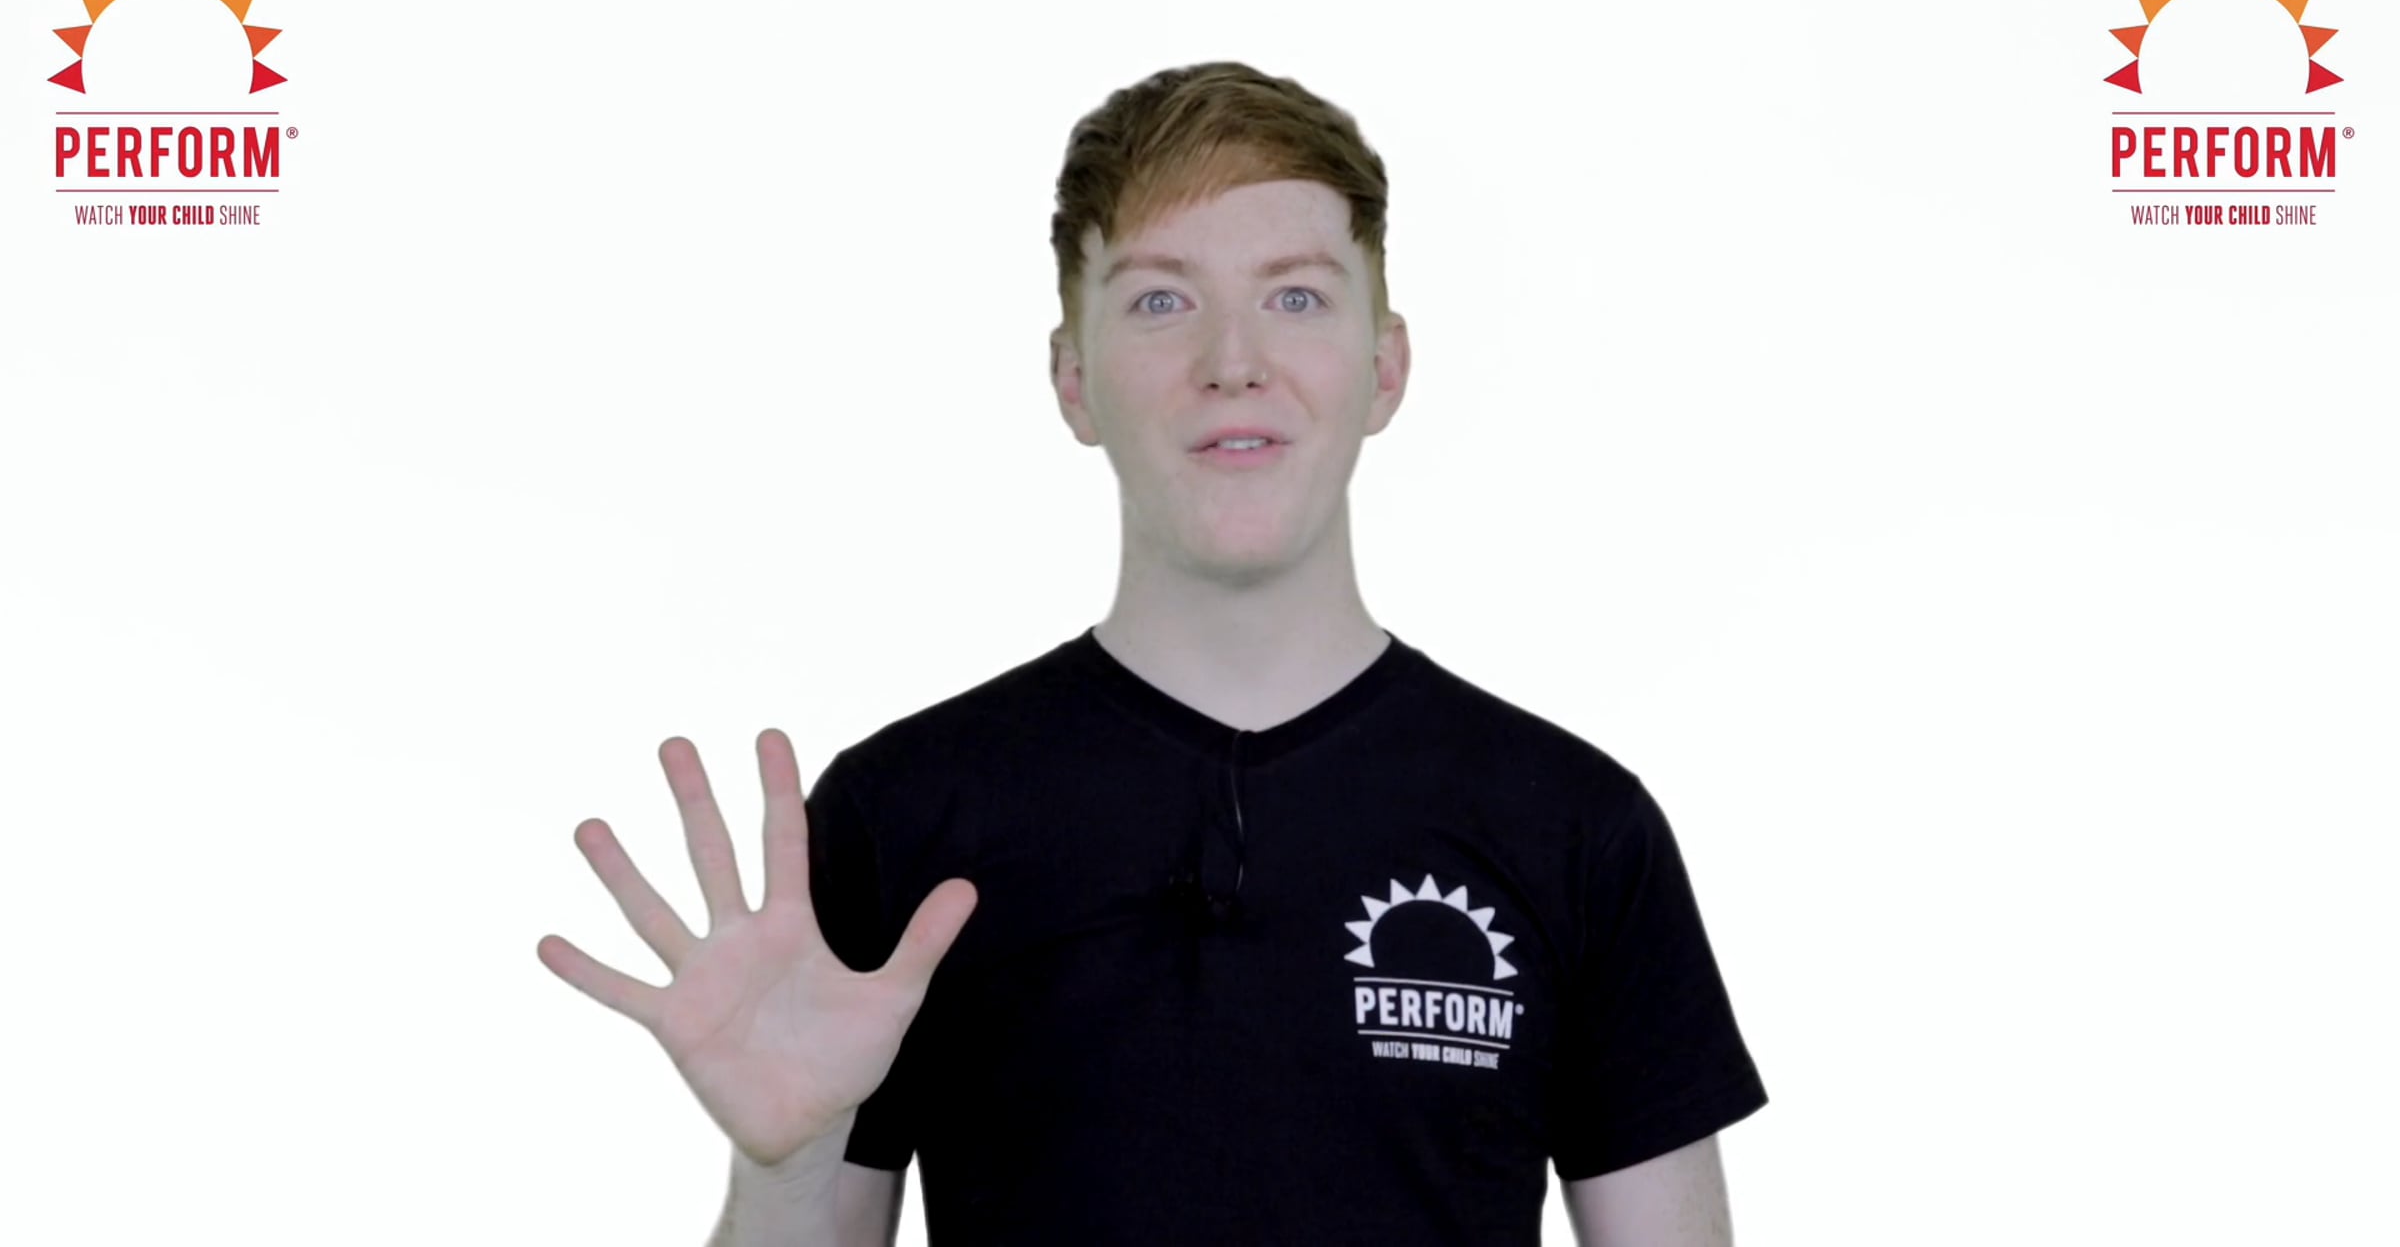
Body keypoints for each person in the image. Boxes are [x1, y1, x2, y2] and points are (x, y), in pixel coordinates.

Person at [537, 61, 1768, 1246]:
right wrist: (789, 1166)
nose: (1233, 362)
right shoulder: (899, 818)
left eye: (1296, 296)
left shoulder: (1575, 829)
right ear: (1073, 379)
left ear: (1385, 366)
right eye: (1161, 300)